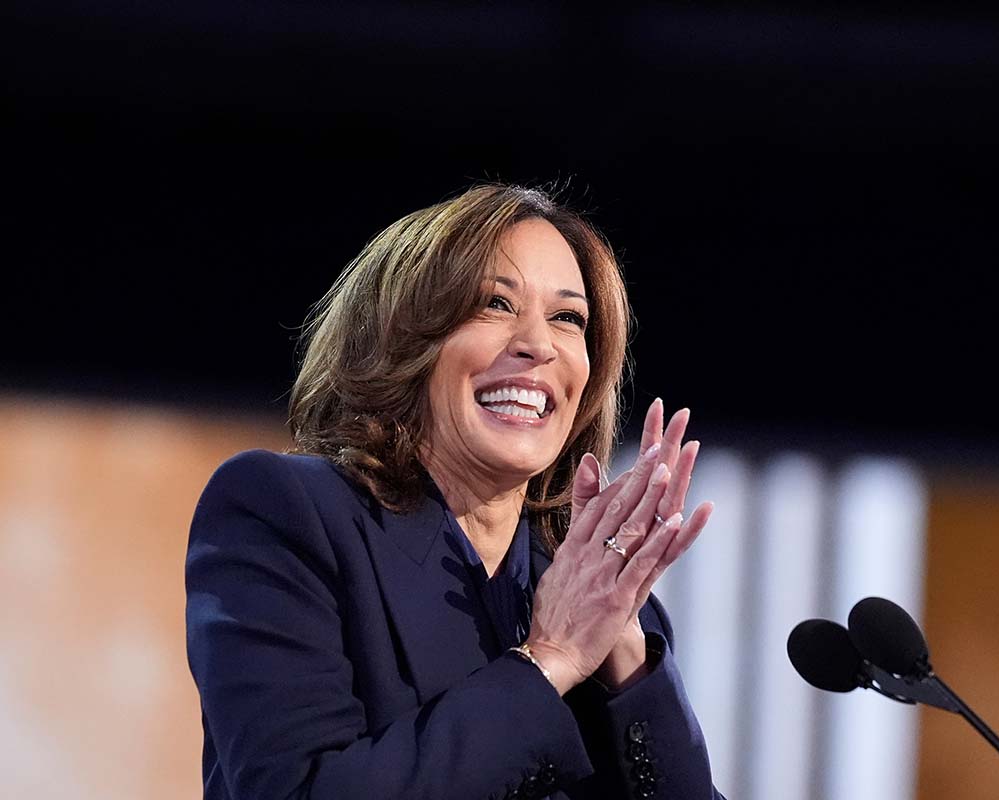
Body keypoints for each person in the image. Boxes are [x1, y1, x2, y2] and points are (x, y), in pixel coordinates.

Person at [185, 184, 726, 799]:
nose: (538, 344)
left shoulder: (601, 601)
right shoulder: (286, 511)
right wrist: (549, 658)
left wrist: (628, 665)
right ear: (402, 339)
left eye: (567, 318)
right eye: (495, 304)